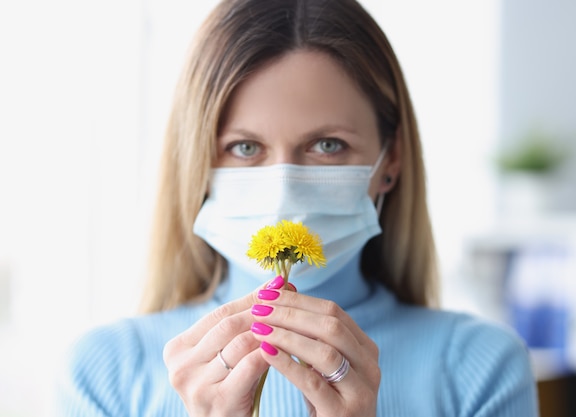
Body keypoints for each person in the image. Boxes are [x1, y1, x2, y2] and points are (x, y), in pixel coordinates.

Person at [56, 0, 539, 416]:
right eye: (245, 148)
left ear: (390, 158)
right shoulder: (105, 372)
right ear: (196, 163)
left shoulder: (479, 368)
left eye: (327, 144)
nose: (283, 188)